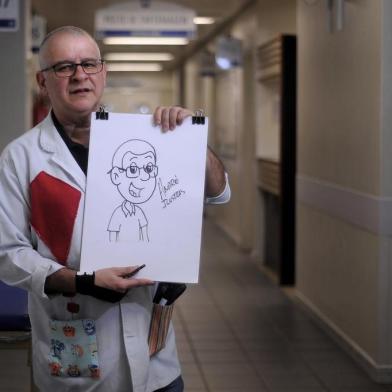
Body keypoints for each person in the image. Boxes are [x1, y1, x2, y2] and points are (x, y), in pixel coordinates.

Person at [0, 26, 230, 392]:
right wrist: (82, 282)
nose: (80, 75)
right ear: (43, 81)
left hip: (156, 361)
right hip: (75, 350)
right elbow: (8, 255)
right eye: (64, 67)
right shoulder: (21, 158)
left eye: (89, 64)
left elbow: (220, 192)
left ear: (103, 73)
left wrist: (192, 138)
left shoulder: (150, 137)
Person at [107, 139, 159, 243]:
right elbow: (112, 239)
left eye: (149, 168)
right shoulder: (117, 214)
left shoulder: (139, 212)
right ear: (116, 176)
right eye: (133, 169)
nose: (144, 177)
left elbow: (145, 236)